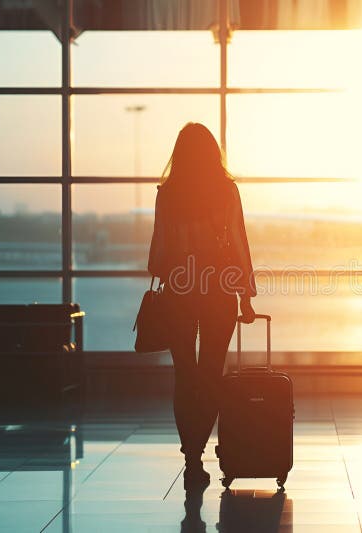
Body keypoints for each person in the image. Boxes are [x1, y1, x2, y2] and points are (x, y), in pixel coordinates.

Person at [148, 122, 256, 488]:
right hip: (218, 291)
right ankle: (198, 449)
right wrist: (246, 294)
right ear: (213, 154)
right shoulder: (226, 191)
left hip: (179, 292)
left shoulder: (167, 194)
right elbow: (238, 242)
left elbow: (158, 252)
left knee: (185, 375)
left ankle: (191, 458)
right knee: (211, 373)